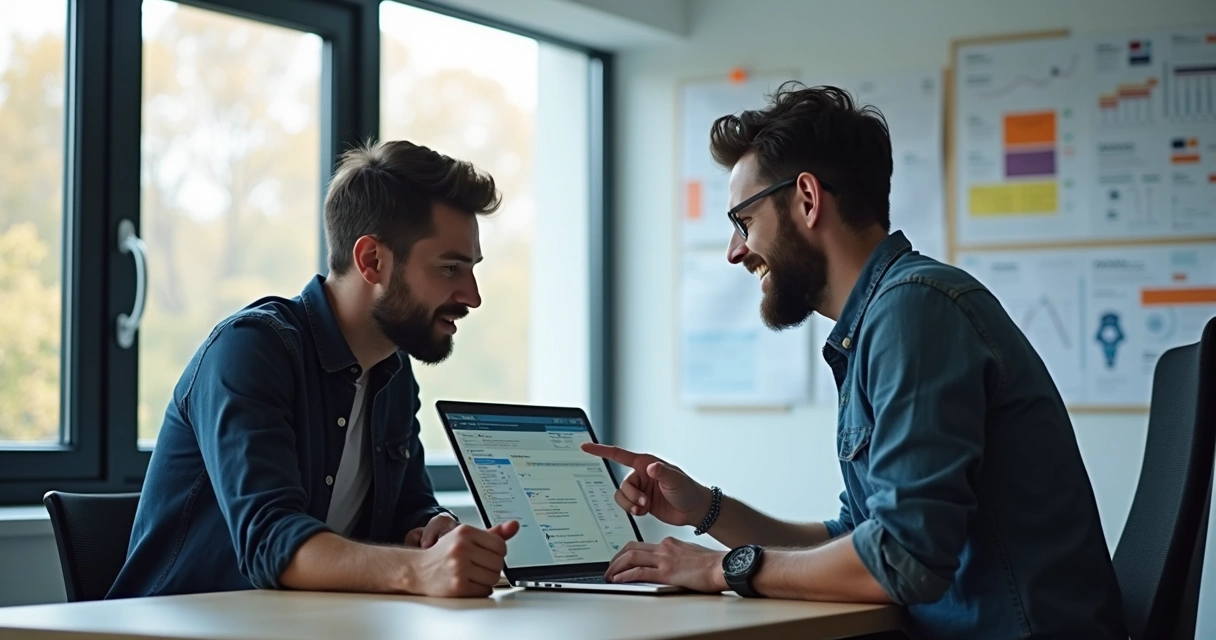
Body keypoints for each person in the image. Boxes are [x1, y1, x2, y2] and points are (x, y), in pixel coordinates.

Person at [583, 84, 1127, 639]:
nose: (735, 250)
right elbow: (858, 535)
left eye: (743, 221)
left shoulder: (914, 310)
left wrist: (720, 569)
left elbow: (900, 559)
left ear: (808, 199)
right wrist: (707, 510)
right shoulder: (884, 319)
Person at [109, 140, 519, 599]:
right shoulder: (252, 349)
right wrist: (419, 570)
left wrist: (430, 530)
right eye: (450, 268)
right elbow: (270, 541)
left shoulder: (393, 371)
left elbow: (409, 506)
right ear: (372, 261)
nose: (473, 296)